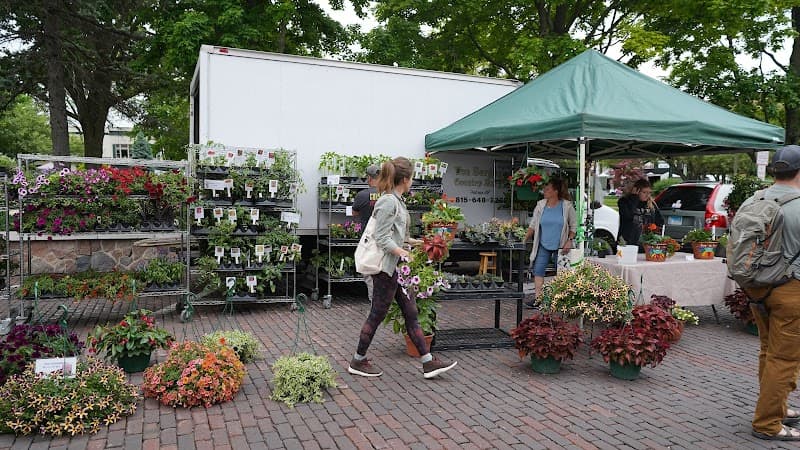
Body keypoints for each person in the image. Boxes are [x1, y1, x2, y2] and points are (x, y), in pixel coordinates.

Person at [348, 156, 457, 379]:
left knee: (411, 312)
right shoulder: (388, 201)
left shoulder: (397, 200)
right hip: (385, 270)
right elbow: (381, 238)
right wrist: (402, 252)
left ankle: (428, 363)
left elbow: (398, 237)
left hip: (395, 269)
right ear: (405, 179)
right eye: (412, 177)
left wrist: (419, 242)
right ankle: (358, 361)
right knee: (377, 315)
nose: (413, 181)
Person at [747, 145, 800, 441]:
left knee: (768, 351)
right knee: (784, 358)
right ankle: (768, 423)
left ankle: (776, 406)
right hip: (791, 289)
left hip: (757, 286)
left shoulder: (756, 198)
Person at [523, 177, 577, 308]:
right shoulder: (541, 205)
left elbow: (574, 226)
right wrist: (523, 240)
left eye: (547, 189)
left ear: (556, 191)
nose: (544, 191)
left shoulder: (567, 206)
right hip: (543, 244)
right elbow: (533, 225)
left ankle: (561, 300)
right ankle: (538, 298)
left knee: (563, 273)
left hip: (561, 245)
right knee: (538, 270)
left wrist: (569, 241)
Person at [352, 164, 380, 303]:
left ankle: (375, 303)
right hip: (386, 240)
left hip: (368, 240)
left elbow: (354, 213)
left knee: (369, 273)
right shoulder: (389, 195)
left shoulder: (362, 195)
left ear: (369, 178)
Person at [617, 179, 664, 249]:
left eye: (649, 193)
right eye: (644, 192)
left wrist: (654, 233)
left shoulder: (651, 204)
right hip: (628, 241)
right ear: (637, 191)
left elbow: (660, 221)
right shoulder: (625, 202)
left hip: (646, 242)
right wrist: (634, 198)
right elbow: (628, 216)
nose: (647, 195)